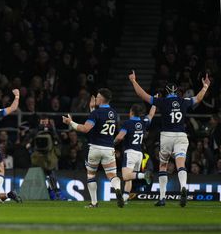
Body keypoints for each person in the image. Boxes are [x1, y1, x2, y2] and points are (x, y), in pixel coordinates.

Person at [128, 70, 210, 207]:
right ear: (177, 92)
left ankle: (162, 198)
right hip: (181, 136)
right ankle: (183, 187)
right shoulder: (184, 101)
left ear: (166, 92)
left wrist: (133, 81)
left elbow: (142, 95)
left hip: (166, 136)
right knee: (180, 164)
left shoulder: (162, 102)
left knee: (163, 165)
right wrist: (205, 86)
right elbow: (199, 98)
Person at [62, 88, 124, 208]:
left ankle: (94, 203)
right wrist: (92, 109)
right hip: (108, 148)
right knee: (112, 175)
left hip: (95, 148)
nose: (95, 98)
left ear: (101, 99)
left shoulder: (96, 113)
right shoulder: (114, 113)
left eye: (97, 97)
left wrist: (70, 122)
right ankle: (117, 189)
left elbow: (85, 129)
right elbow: (100, 124)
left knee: (91, 175)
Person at [114, 103, 156, 203]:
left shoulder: (127, 123)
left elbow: (120, 137)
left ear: (131, 112)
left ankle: (144, 175)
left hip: (130, 153)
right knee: (130, 177)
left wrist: (112, 143)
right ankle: (124, 199)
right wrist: (154, 104)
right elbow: (150, 115)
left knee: (125, 176)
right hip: (139, 154)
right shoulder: (143, 122)